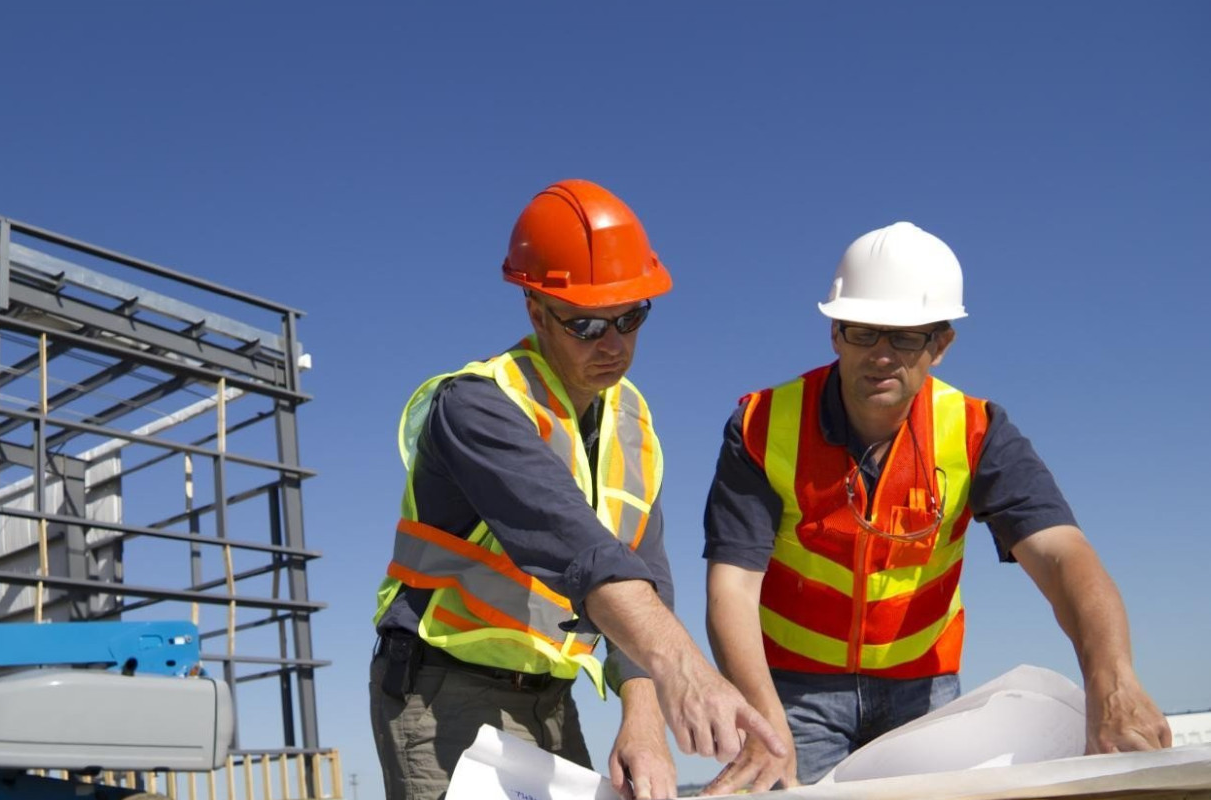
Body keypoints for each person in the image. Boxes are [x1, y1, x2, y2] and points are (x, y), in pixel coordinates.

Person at [699, 221, 1172, 793]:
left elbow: (1062, 556)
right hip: (790, 690)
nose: (880, 355)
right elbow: (732, 588)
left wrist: (1113, 680)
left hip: (922, 689)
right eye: (863, 331)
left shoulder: (978, 432)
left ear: (940, 345)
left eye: (904, 337)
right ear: (834, 333)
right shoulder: (761, 425)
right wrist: (761, 717)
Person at [371, 179, 782, 800]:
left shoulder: (632, 423)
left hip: (550, 701)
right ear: (537, 312)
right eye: (587, 324)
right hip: (441, 692)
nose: (613, 345)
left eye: (631, 317)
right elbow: (581, 552)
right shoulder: (478, 406)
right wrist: (686, 670)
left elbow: (644, 573)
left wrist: (643, 719)